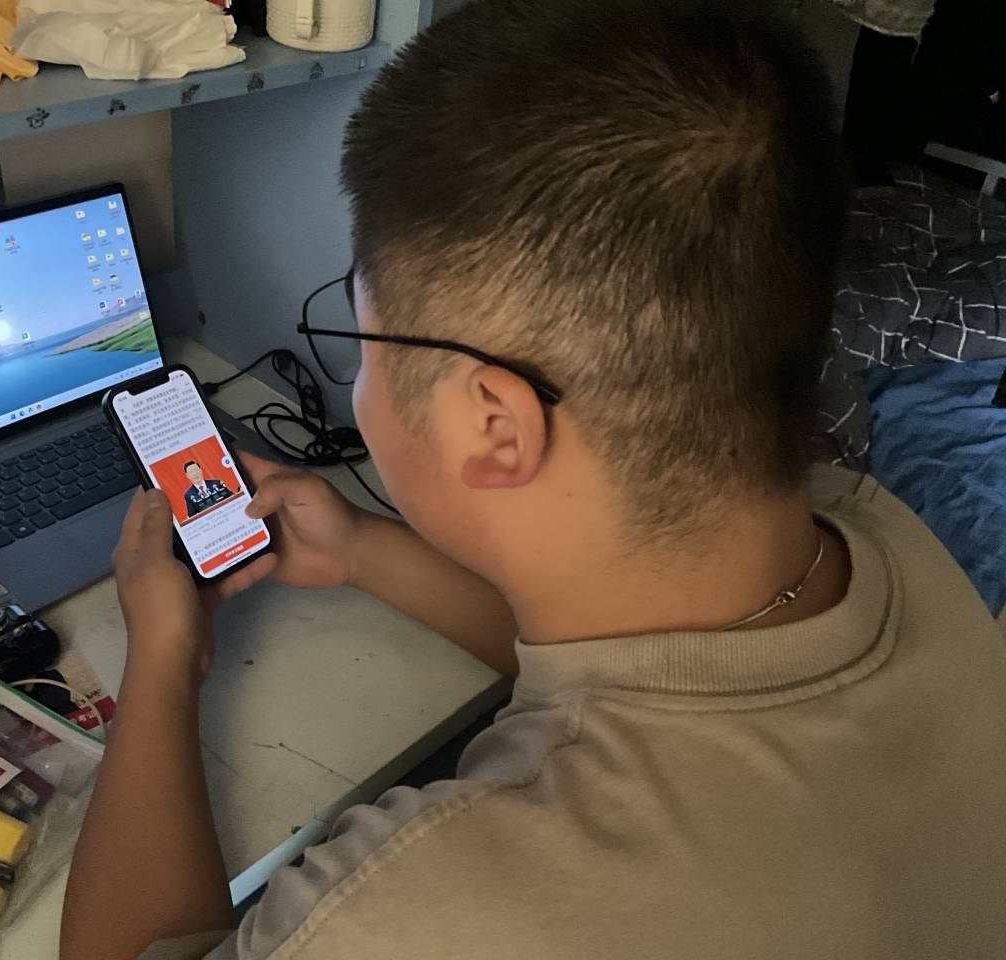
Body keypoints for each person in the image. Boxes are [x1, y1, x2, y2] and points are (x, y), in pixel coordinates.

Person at [61, 0, 1006, 957]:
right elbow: (648, 664)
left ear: (494, 424)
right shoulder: (882, 533)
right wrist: (363, 550)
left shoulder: (412, 906)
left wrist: (163, 662)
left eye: (360, 338)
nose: (359, 380)